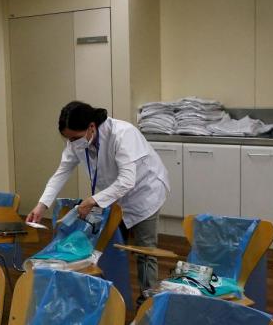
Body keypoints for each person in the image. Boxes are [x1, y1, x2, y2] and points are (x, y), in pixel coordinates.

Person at [26, 101, 169, 299]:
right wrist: (42, 205)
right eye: (68, 139)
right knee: (113, 247)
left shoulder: (122, 134)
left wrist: (93, 200)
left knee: (145, 250)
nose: (72, 143)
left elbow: (127, 181)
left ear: (91, 127)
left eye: (75, 137)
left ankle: (149, 301)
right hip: (113, 196)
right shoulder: (78, 142)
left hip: (144, 193)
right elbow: (61, 172)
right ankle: (112, 296)